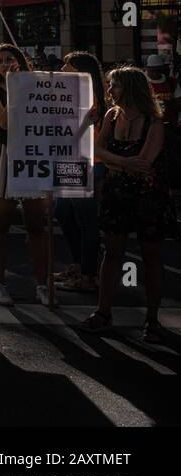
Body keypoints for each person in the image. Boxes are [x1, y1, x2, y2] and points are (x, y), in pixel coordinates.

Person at [81, 67, 168, 342]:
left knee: (151, 254)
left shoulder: (154, 121)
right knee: (112, 251)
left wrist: (114, 161)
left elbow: (144, 163)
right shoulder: (111, 115)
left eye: (114, 86)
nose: (110, 92)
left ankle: (152, 319)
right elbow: (96, 150)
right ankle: (103, 312)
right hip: (117, 192)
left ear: (130, 88)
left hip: (147, 195)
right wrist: (123, 162)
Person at [0, 44, 51, 306]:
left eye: (9, 59)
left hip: (33, 154)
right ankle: (0, 284)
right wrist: (15, 88)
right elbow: (4, 122)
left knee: (36, 223)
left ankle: (43, 284)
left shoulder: (38, 87)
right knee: (1, 222)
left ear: (21, 61)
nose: (4, 64)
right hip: (4, 156)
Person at [53, 51, 105, 294]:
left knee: (86, 220)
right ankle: (78, 264)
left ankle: (89, 274)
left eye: (68, 64)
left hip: (87, 161)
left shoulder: (88, 94)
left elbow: (80, 130)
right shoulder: (69, 91)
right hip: (69, 159)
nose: (63, 67)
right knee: (62, 212)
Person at [144, 54, 180, 126]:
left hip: (170, 123)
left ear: (162, 68)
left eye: (158, 70)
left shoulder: (171, 82)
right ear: (147, 68)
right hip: (148, 124)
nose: (155, 73)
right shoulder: (142, 82)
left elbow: (179, 101)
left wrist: (170, 104)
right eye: (152, 71)